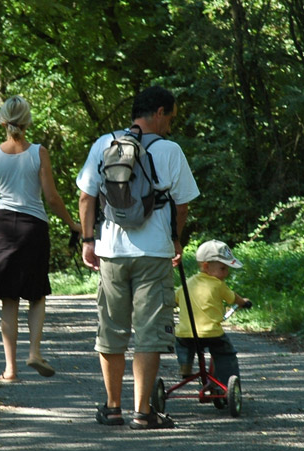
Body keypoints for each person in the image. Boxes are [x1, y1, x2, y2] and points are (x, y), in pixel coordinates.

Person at [76, 86, 200, 429]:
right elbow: (183, 204)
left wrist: (89, 240)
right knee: (149, 332)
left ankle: (112, 406)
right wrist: (175, 239)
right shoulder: (170, 150)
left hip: (111, 252)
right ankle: (143, 412)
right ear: (158, 112)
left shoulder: (105, 144)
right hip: (154, 252)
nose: (171, 126)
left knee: (112, 329)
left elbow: (86, 197)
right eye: (170, 117)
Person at [0, 95, 81, 383]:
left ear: (2, 120)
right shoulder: (39, 153)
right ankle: (34, 352)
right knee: (36, 294)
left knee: (9, 300)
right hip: (34, 228)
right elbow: (53, 198)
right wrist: (73, 224)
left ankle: (10, 370)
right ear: (27, 120)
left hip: (4, 227)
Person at [174, 240, 251, 384]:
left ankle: (185, 365)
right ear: (206, 266)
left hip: (186, 334)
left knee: (182, 343)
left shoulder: (187, 283)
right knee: (226, 353)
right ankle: (228, 382)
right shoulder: (218, 284)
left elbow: (175, 299)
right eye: (223, 268)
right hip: (211, 334)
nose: (226, 273)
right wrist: (244, 302)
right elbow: (234, 298)